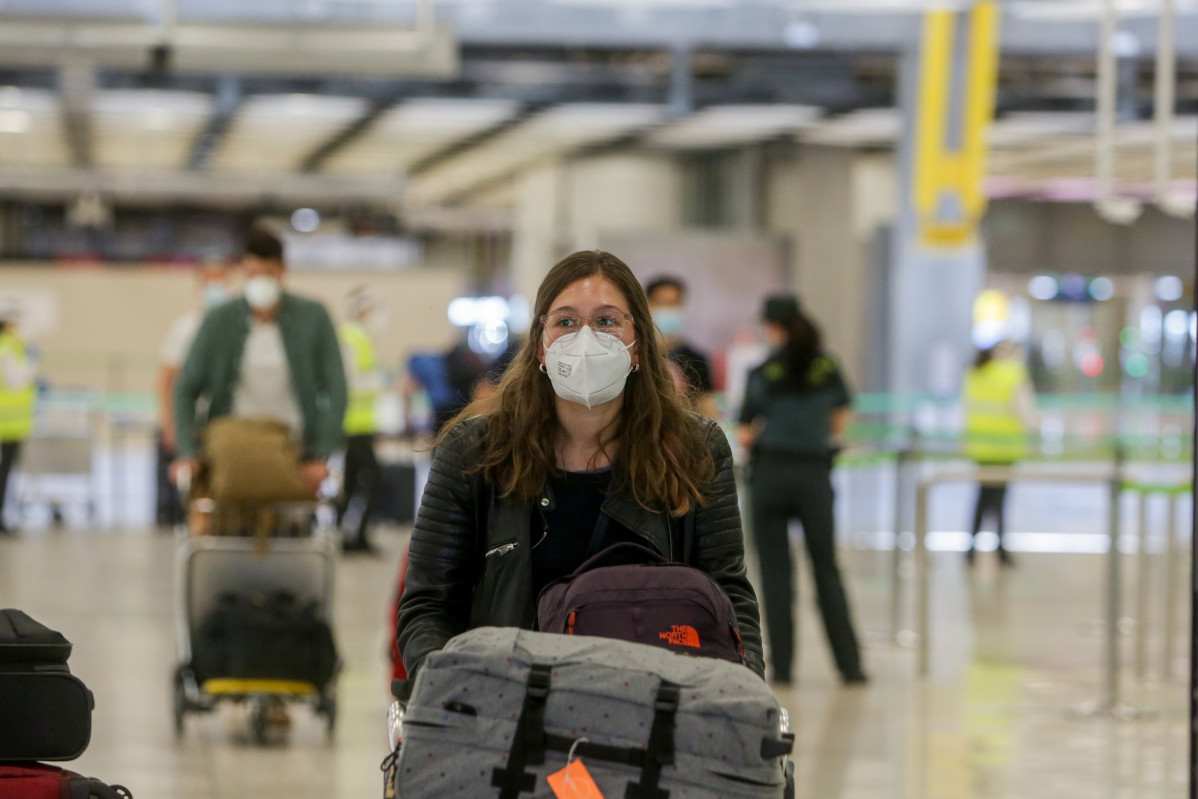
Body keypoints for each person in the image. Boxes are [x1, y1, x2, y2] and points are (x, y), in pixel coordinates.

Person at [397, 250, 764, 679]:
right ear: (539, 345)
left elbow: (730, 594)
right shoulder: (473, 452)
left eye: (607, 321)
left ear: (638, 345)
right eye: (566, 322)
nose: (586, 337)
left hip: (655, 706)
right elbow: (428, 604)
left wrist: (744, 689)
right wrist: (455, 692)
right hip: (509, 704)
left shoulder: (694, 448)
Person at [737, 294, 866, 687]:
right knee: (826, 569)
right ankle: (850, 666)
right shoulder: (827, 367)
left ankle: (784, 668)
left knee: (776, 576)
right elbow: (841, 415)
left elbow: (744, 432)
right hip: (813, 475)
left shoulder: (763, 371)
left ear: (773, 328)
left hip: (771, 474)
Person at [170, 227, 347, 498]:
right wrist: (188, 452)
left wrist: (320, 454)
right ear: (243, 271)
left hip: (292, 447)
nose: (261, 281)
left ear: (283, 271)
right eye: (253, 274)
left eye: (268, 273)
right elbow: (185, 388)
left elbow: (336, 388)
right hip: (231, 447)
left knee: (289, 529)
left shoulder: (313, 317)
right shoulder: (219, 320)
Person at [156, 262, 232, 528]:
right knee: (198, 493)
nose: (215, 287)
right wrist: (169, 422)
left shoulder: (236, 325)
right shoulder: (185, 327)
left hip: (226, 426)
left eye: (219, 280)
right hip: (194, 426)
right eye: (208, 281)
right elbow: (168, 380)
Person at [963, 341, 1034, 567]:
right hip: (1004, 447)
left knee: (982, 497)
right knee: (999, 499)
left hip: (980, 446)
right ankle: (1000, 548)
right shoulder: (1013, 374)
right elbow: (1025, 412)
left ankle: (972, 548)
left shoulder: (975, 372)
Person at [336, 287, 386, 554]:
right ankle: (353, 537)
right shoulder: (350, 337)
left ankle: (349, 537)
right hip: (352, 427)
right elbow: (349, 382)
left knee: (353, 484)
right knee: (372, 482)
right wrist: (380, 381)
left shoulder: (361, 337)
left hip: (361, 426)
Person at [645, 276, 719, 419]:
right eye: (665, 303)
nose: (671, 309)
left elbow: (708, 409)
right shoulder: (638, 355)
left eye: (676, 303)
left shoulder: (697, 359)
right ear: (649, 305)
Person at [0, 305, 35, 536]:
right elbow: (16, 380)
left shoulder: (13, 346)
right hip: (7, 424)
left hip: (12, 425)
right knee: (4, 474)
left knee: (6, 474)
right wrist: (32, 363)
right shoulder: (7, 347)